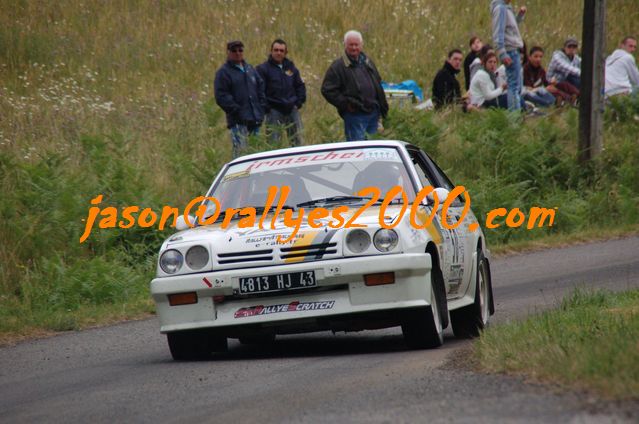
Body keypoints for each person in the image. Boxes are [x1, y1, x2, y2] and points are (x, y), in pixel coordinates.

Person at [321, 30, 389, 141]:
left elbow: (378, 82)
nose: (354, 48)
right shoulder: (338, 66)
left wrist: (382, 106)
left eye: (356, 45)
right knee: (358, 151)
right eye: (350, 45)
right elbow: (327, 90)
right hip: (355, 116)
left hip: (373, 113)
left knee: (374, 150)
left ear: (361, 45)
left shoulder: (367, 62)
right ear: (345, 45)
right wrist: (346, 104)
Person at [214, 40, 267, 158]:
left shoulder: (250, 69)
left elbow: (260, 86)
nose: (238, 53)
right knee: (241, 153)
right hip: (238, 121)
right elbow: (221, 95)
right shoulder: (224, 73)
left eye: (240, 50)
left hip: (254, 119)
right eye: (234, 50)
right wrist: (236, 110)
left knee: (256, 152)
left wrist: (261, 107)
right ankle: (240, 176)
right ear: (228, 52)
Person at [257, 39, 307, 147]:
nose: (278, 53)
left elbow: (299, 85)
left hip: (292, 109)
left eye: (281, 50)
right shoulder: (263, 69)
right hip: (274, 110)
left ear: (285, 53)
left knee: (298, 141)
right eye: (276, 50)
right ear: (271, 51)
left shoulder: (291, 68)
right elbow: (259, 91)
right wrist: (267, 107)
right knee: (273, 143)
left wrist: (298, 103)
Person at [491, 0, 526, 111]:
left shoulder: (507, 8)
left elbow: (511, 27)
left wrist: (520, 16)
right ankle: (514, 117)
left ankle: (516, 114)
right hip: (510, 50)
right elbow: (498, 32)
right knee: (514, 86)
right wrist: (502, 53)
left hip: (513, 50)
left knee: (517, 86)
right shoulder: (500, 8)